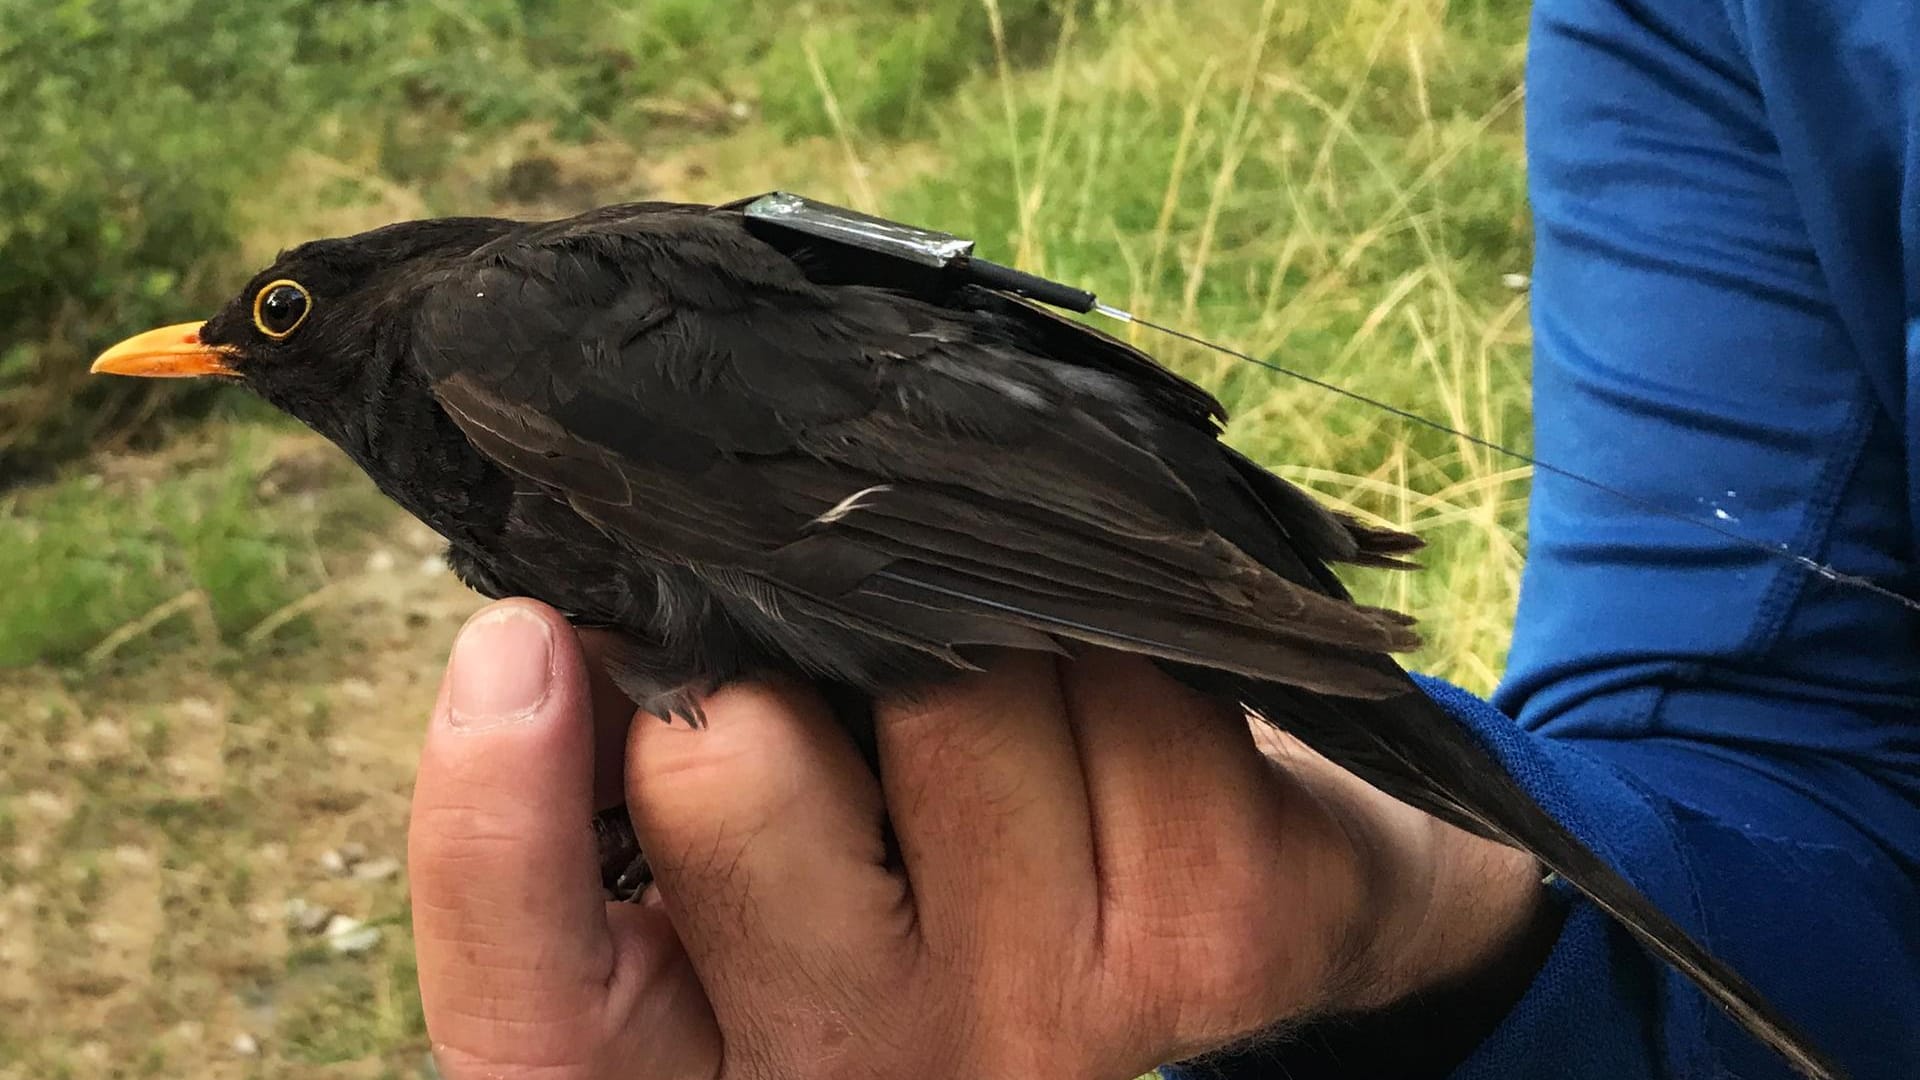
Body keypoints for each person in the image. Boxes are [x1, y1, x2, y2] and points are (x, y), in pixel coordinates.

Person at [402, 0, 1920, 1076]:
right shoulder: (1703, 23)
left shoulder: (500, 324)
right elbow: (1770, 733)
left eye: (277, 316)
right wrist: (1437, 932)